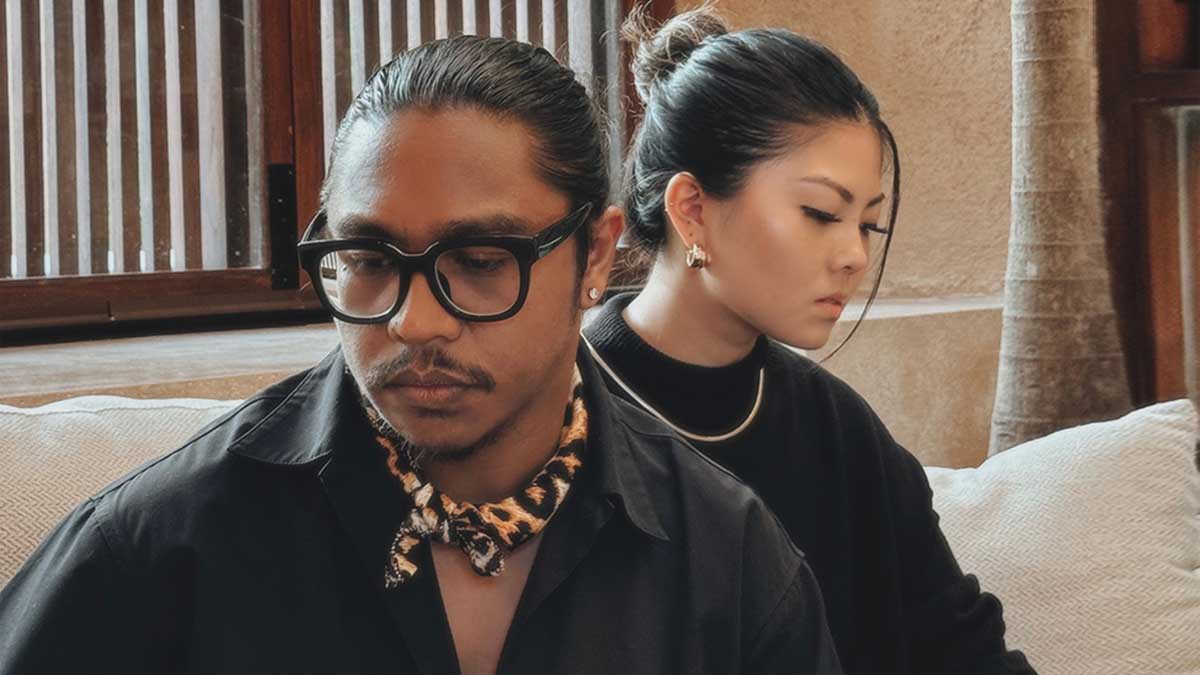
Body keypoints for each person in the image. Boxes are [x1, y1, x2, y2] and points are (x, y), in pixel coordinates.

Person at [0, 35, 841, 675]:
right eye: (369, 260)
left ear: (593, 255)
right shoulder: (158, 549)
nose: (414, 322)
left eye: (479, 261)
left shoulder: (727, 564)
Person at [582, 7, 1036, 675]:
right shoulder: (559, 419)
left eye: (867, 224)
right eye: (821, 213)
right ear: (692, 210)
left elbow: (965, 651)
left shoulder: (842, 432)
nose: (855, 255)